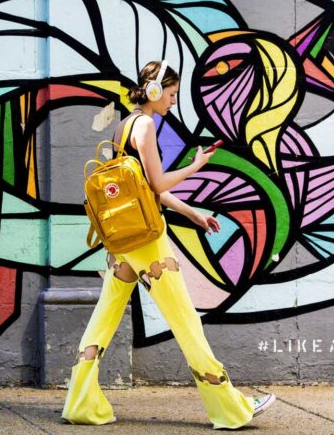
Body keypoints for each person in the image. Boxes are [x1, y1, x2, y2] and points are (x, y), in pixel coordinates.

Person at [62, 61, 275, 429]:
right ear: (156, 92)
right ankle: (230, 408)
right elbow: (158, 185)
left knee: (105, 314)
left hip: (123, 238)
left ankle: (81, 402)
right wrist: (197, 165)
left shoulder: (123, 126)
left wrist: (193, 214)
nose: (175, 102)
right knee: (185, 319)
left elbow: (143, 189)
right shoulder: (144, 125)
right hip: (147, 240)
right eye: (172, 94)